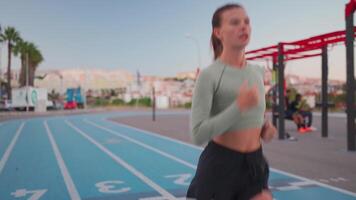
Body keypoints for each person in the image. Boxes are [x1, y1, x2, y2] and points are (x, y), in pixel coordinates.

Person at [187, 3, 276, 200]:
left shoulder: (257, 73)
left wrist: (264, 128)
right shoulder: (209, 76)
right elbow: (198, 134)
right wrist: (239, 107)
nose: (243, 26)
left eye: (246, 22)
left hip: (254, 163)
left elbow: (255, 119)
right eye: (235, 22)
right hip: (221, 165)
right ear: (218, 32)